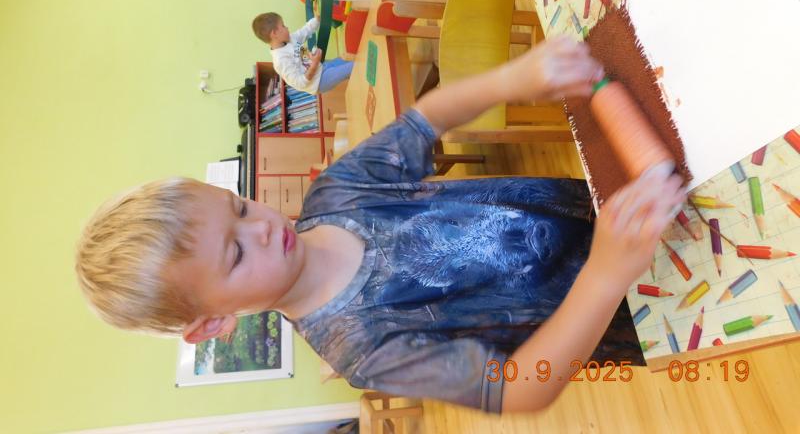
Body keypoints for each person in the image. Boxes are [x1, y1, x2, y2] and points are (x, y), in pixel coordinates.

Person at [75, 37, 686, 414]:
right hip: (643, 309)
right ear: (213, 323)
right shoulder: (362, 349)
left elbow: (425, 119)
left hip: (619, 205)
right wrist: (606, 275)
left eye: (239, 208)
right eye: (234, 255)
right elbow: (521, 388)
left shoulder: (337, 192)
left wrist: (513, 79)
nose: (259, 228)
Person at [252, 11, 353, 94]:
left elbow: (304, 31)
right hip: (319, 82)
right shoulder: (281, 61)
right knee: (354, 66)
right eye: (283, 26)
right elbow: (300, 83)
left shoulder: (289, 39)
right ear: (274, 33)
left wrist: (317, 20)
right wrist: (314, 64)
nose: (287, 28)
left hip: (322, 68)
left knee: (351, 61)